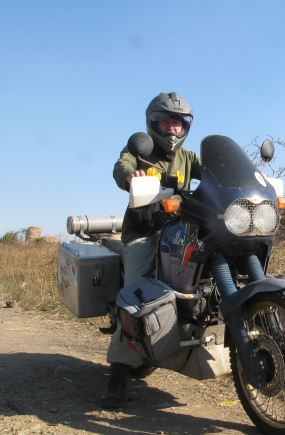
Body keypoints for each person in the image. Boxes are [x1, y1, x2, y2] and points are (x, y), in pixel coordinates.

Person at [101, 92, 201, 407]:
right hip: (144, 232)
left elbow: (216, 171)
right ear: (153, 123)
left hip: (182, 232)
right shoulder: (140, 151)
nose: (172, 129)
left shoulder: (189, 158)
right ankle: (118, 373)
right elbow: (122, 166)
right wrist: (130, 176)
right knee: (136, 296)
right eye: (166, 121)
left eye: (178, 123)